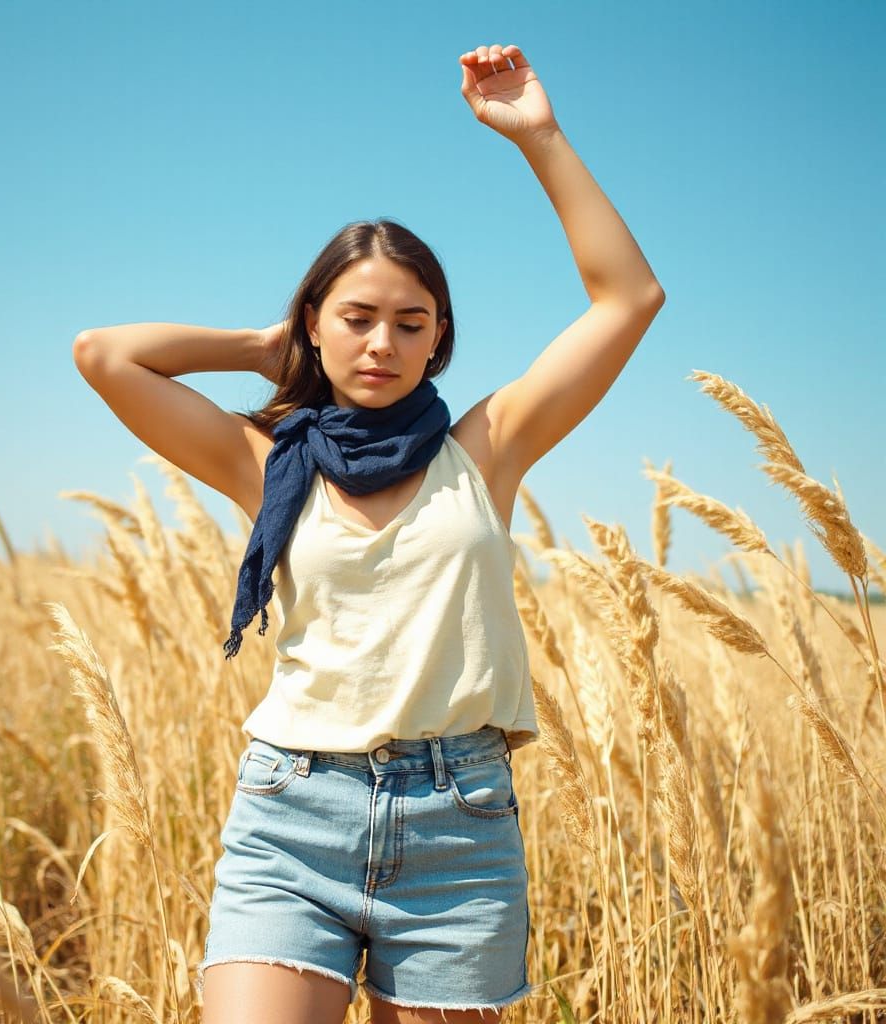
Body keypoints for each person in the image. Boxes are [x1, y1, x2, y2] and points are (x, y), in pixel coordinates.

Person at [73, 41, 663, 1024]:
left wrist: (539, 135)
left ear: (439, 338)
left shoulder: (487, 449)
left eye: (410, 322)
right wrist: (263, 346)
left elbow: (629, 298)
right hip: (291, 816)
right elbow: (105, 355)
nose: (382, 342)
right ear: (314, 323)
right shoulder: (265, 460)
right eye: (355, 317)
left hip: (457, 826)